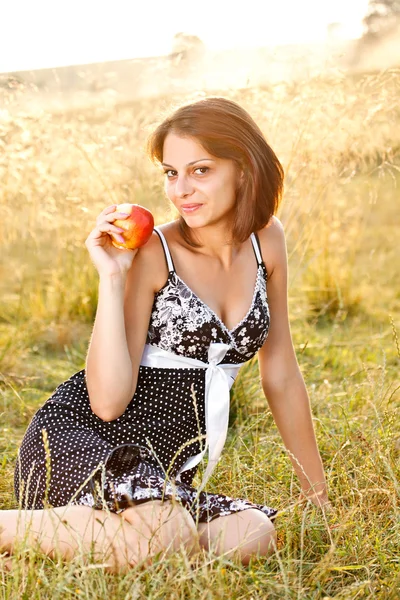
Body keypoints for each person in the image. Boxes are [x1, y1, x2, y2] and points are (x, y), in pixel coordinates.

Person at [1, 97, 329, 573]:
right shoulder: (155, 251)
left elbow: (280, 371)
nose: (181, 191)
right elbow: (108, 403)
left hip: (165, 473)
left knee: (253, 534)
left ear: (243, 168)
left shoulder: (267, 240)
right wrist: (112, 279)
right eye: (171, 173)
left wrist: (315, 496)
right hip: (83, 440)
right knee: (163, 539)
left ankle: (67, 542)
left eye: (199, 170)